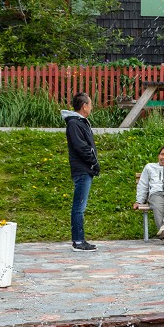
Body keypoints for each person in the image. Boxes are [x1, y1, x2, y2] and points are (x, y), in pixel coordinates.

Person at [62, 92, 100, 251]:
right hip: (83, 169)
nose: (91, 107)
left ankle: (79, 240)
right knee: (79, 207)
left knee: (80, 206)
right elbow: (81, 147)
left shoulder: (80, 123)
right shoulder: (74, 124)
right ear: (84, 106)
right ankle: (78, 241)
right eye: (90, 104)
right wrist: (94, 163)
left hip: (85, 169)